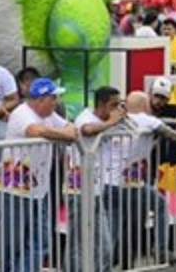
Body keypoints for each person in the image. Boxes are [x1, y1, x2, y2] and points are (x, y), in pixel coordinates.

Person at [0, 78, 77, 272]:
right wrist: (63, 134)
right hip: (14, 189)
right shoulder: (22, 113)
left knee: (41, 241)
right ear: (40, 99)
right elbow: (34, 130)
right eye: (53, 98)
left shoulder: (49, 115)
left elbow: (71, 128)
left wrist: (59, 133)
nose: (56, 102)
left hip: (39, 189)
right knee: (13, 243)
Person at [106, 92, 176, 267]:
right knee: (160, 205)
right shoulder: (148, 121)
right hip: (130, 182)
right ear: (146, 106)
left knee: (114, 226)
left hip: (108, 182)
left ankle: (104, 263)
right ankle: (161, 251)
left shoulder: (117, 120)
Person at [64, 86, 126, 272]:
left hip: (96, 189)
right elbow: (87, 130)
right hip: (79, 190)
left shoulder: (107, 120)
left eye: (119, 104)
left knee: (105, 245)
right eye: (113, 105)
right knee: (77, 241)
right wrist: (112, 122)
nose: (117, 109)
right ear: (101, 104)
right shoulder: (85, 117)